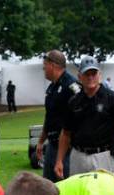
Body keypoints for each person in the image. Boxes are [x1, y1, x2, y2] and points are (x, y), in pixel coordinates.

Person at [54, 56, 114, 178]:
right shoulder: (73, 101)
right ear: (79, 76)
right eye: (86, 74)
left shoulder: (113, 99)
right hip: (78, 156)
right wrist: (59, 160)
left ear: (99, 75)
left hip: (104, 156)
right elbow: (65, 133)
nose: (90, 77)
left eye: (93, 73)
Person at [37, 50, 79, 182]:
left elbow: (80, 117)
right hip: (52, 145)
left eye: (45, 64)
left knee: (65, 187)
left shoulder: (71, 86)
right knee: (48, 187)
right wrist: (41, 141)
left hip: (67, 148)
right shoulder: (52, 88)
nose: (43, 68)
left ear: (52, 65)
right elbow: (49, 117)